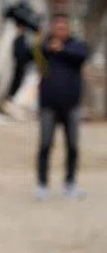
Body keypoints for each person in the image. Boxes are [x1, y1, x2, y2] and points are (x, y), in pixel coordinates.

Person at [33, 14, 90, 200]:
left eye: (63, 28)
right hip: (48, 106)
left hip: (71, 106)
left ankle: (70, 183)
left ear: (68, 30)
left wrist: (62, 49)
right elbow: (27, 52)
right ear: (52, 29)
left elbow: (82, 55)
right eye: (57, 28)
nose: (60, 31)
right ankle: (42, 185)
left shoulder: (76, 46)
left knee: (72, 146)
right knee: (45, 145)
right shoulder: (44, 48)